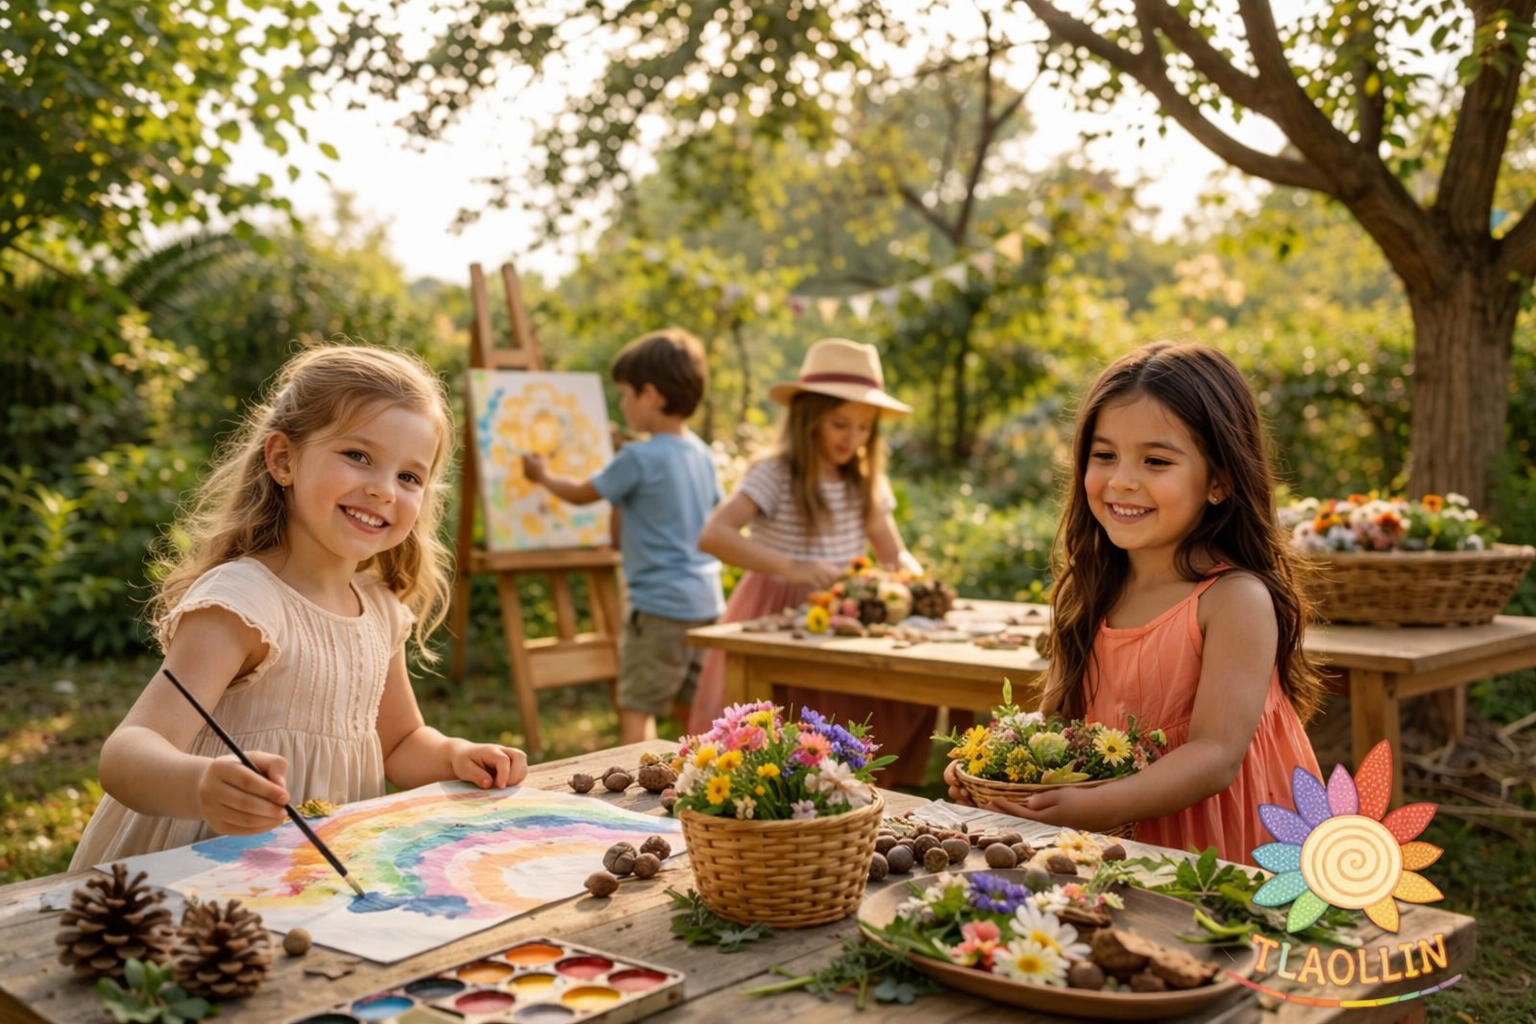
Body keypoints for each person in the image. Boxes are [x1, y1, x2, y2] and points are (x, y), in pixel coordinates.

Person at [70, 343, 528, 868]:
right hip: (197, 867)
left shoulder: (380, 610)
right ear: (284, 459)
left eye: (409, 477)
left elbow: (400, 742)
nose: (383, 490)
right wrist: (200, 785)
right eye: (358, 456)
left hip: (309, 873)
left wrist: (453, 755)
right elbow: (126, 753)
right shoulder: (243, 604)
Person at [946, 340, 1324, 865]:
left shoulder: (1234, 599)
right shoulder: (1093, 587)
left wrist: (1088, 808)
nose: (1122, 480)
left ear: (1219, 481)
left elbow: (1215, 758)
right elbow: (1060, 725)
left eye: (1156, 460)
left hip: (1223, 838)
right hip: (1109, 828)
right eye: (1105, 456)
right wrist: (996, 770)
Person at [690, 338, 934, 787]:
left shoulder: (863, 482)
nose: (853, 438)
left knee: (874, 704)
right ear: (808, 419)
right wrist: (789, 567)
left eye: (864, 427)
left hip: (840, 616)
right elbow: (714, 535)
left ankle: (858, 793)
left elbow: (894, 553)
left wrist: (916, 581)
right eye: (841, 424)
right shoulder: (774, 474)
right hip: (777, 610)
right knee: (782, 725)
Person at [522, 328, 725, 745]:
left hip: (657, 608)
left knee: (638, 706)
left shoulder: (637, 457)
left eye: (626, 395)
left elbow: (581, 494)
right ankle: (703, 780)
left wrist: (541, 475)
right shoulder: (702, 454)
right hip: (705, 602)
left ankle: (638, 784)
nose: (623, 404)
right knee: (695, 707)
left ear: (650, 395)